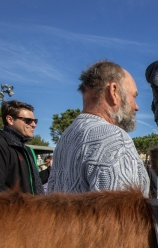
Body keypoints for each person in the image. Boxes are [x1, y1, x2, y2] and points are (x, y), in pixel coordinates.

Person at [48, 61, 149, 197]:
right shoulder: (113, 138)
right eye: (134, 96)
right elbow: (121, 214)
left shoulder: (66, 137)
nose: (136, 107)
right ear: (114, 91)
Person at [0, 100, 43, 195]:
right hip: (13, 209)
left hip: (33, 208)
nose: (33, 125)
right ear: (10, 120)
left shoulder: (26, 149)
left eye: (35, 121)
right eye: (28, 121)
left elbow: (32, 183)